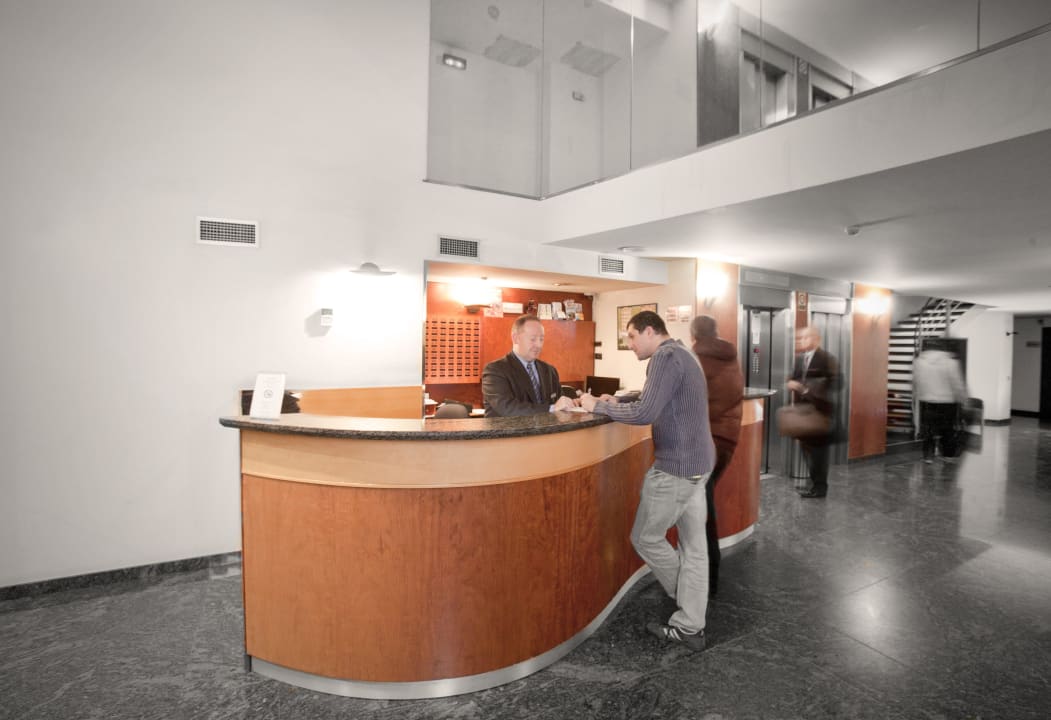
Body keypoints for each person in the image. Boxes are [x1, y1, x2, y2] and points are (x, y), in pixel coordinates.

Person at [580, 311, 715, 651]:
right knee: (694, 549)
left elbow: (645, 413)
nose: (630, 344)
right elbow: (656, 398)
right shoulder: (683, 353)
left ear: (650, 331)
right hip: (698, 464)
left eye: (631, 337)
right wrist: (619, 399)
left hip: (676, 468)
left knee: (645, 537)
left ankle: (687, 603)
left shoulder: (664, 357)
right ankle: (691, 624)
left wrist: (597, 405)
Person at [689, 315, 744, 596]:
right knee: (703, 506)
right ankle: (707, 573)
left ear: (693, 335)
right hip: (727, 440)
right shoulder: (731, 357)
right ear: (717, 332)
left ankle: (707, 577)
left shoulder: (697, 359)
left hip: (705, 443)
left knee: (702, 511)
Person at [482, 314, 577, 417]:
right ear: (515, 338)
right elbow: (508, 408)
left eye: (541, 339)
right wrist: (551, 408)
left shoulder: (550, 371)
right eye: (533, 339)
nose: (539, 345)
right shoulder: (495, 371)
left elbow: (559, 404)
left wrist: (570, 404)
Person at [786, 326, 840, 499]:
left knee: (819, 453)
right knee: (807, 450)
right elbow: (794, 378)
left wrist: (807, 389)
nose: (801, 341)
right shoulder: (800, 359)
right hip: (803, 413)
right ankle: (814, 483)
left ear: (816, 339)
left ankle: (820, 487)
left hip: (819, 412)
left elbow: (838, 383)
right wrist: (791, 383)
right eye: (800, 338)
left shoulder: (827, 359)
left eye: (806, 337)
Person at [912, 346, 968, 462]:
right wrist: (963, 399)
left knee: (928, 429)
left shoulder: (920, 362)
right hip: (947, 401)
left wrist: (919, 395)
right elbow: (956, 383)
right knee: (947, 429)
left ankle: (928, 456)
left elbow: (916, 380)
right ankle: (948, 455)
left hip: (927, 400)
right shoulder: (951, 362)